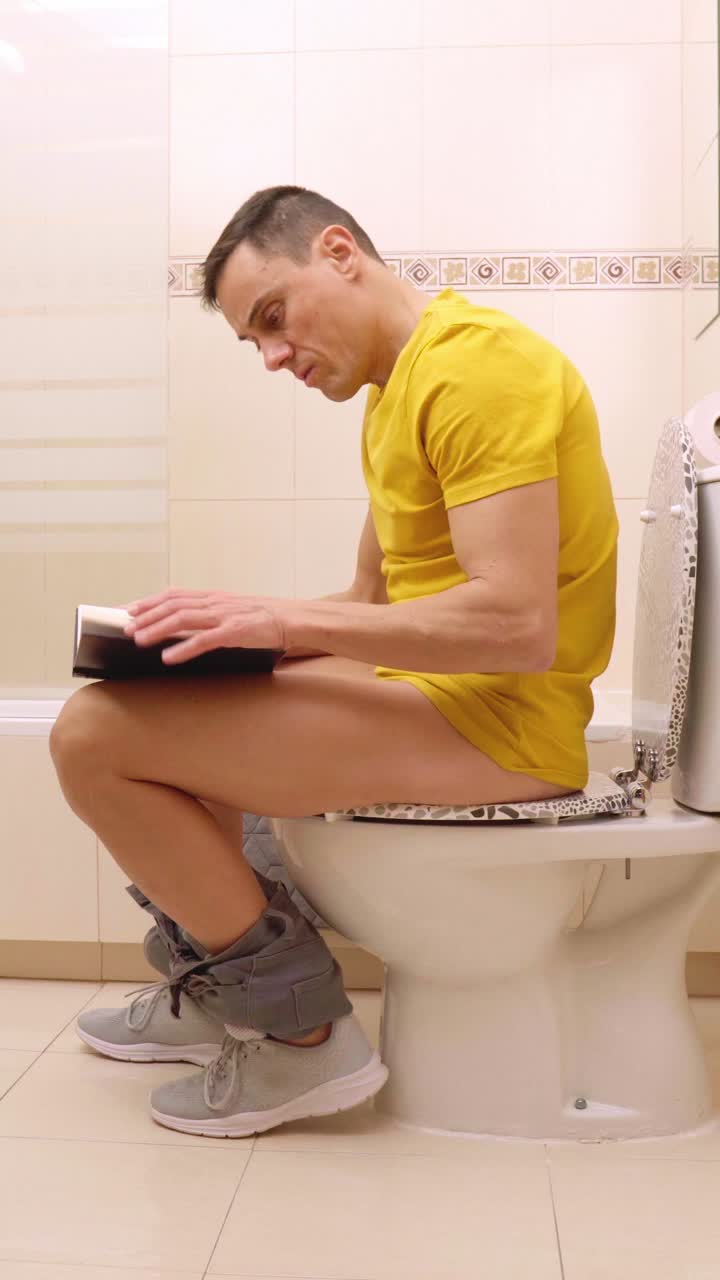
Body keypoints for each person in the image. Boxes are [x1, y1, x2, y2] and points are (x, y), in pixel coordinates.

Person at [49, 185, 618, 1138]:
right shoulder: (401, 392)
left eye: (274, 318)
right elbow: (369, 606)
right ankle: (219, 990)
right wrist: (226, 634)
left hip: (504, 725)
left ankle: (302, 1044)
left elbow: (518, 625)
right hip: (447, 698)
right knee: (183, 694)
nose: (273, 356)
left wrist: (274, 623)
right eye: (253, 341)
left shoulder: (480, 370)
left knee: (92, 739)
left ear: (339, 252)